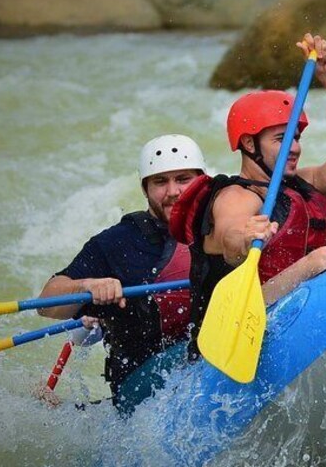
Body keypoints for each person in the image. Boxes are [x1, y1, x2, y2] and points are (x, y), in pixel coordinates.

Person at [171, 33, 326, 359]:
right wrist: (243, 237)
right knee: (323, 260)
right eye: (282, 138)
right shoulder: (236, 196)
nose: (296, 147)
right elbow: (231, 238)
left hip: (299, 322)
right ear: (249, 144)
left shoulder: (309, 184)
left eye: (297, 137)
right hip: (237, 338)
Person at [35, 134, 206, 408]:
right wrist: (87, 286)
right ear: (145, 188)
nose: (173, 191)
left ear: (201, 181)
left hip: (203, 364)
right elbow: (46, 304)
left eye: (183, 179)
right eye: (160, 181)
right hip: (142, 392)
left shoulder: (223, 225)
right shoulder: (118, 242)